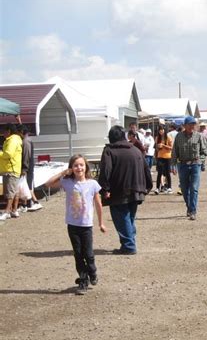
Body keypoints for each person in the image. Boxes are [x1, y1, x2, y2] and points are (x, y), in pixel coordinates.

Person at [45, 154, 106, 295]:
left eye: (81, 165)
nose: (79, 168)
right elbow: (48, 184)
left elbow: (98, 204)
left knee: (89, 254)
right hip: (72, 225)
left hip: (86, 226)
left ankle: (92, 271)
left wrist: (101, 223)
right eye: (75, 165)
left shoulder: (92, 184)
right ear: (71, 168)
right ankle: (83, 281)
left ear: (86, 167)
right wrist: (63, 173)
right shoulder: (67, 182)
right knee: (78, 254)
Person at [99, 125, 153, 255]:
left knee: (122, 218)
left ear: (111, 138)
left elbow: (105, 171)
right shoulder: (135, 150)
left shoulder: (109, 151)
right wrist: (148, 186)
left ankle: (129, 245)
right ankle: (129, 242)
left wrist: (104, 189)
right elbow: (146, 169)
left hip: (118, 191)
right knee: (129, 218)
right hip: (137, 190)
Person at [171, 116, 207, 220]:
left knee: (194, 188)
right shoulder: (179, 137)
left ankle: (193, 211)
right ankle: (189, 207)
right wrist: (172, 165)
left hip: (196, 164)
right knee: (184, 188)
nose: (192, 126)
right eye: (190, 124)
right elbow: (174, 152)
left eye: (193, 124)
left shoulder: (199, 136)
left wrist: (201, 162)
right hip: (182, 165)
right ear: (184, 126)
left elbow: (204, 152)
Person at [0, 123, 23, 221]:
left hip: (11, 169)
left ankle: (7, 212)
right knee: (14, 191)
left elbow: (8, 154)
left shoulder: (12, 140)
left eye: (4, 131)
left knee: (10, 192)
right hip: (12, 169)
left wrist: (0, 152)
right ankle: (14, 210)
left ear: (9, 131)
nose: (2, 133)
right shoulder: (14, 139)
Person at [18, 125, 42, 212]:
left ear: (21, 132)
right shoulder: (28, 140)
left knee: (27, 186)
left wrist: (24, 168)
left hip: (27, 167)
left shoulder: (26, 141)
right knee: (25, 185)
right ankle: (24, 205)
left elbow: (26, 156)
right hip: (29, 166)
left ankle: (36, 202)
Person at [154, 125, 173, 194]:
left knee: (167, 173)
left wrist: (163, 145)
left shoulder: (168, 137)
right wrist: (158, 147)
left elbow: (171, 148)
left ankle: (169, 187)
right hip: (160, 157)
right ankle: (157, 188)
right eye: (159, 130)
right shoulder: (157, 138)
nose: (161, 131)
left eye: (162, 129)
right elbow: (156, 148)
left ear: (164, 130)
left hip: (167, 157)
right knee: (159, 173)